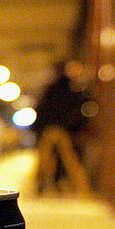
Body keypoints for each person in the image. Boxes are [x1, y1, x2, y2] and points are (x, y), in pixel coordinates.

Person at [33, 60, 94, 195]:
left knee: (46, 160)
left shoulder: (50, 89)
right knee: (69, 160)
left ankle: (39, 187)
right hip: (62, 129)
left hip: (50, 128)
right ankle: (82, 189)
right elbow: (77, 109)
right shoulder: (72, 89)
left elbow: (42, 109)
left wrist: (40, 127)